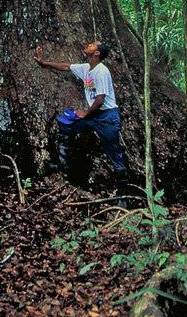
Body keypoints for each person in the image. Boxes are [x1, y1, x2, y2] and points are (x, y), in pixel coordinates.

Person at [35, 40, 128, 205]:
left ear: (97, 53)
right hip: (93, 116)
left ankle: (123, 196)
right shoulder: (86, 68)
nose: (89, 44)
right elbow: (66, 67)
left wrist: (85, 113)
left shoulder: (101, 71)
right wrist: (44, 62)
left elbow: (100, 99)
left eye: (93, 44)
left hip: (106, 117)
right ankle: (62, 164)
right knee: (66, 125)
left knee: (114, 153)